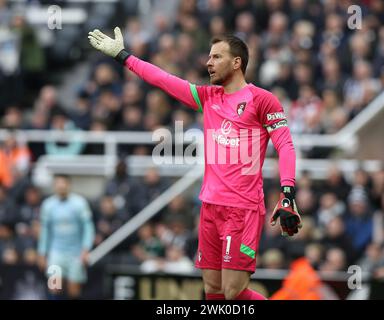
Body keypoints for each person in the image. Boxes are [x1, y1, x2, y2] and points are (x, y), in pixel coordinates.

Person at [88, 28, 302, 300]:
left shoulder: (262, 100)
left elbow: (285, 145)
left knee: (233, 292)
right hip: (210, 207)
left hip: (242, 209)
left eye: (216, 57)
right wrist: (123, 56)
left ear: (237, 62)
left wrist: (287, 193)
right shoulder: (208, 97)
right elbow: (163, 79)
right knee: (212, 289)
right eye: (208, 57)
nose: (208, 62)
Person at [37, 175, 95, 299]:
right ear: (54, 186)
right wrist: (42, 253)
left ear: (69, 185)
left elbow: (88, 228)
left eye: (63, 183)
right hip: (56, 252)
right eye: (58, 183)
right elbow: (45, 230)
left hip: (75, 253)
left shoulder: (79, 203)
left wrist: (86, 249)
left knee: (74, 290)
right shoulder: (48, 205)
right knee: (54, 287)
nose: (61, 186)